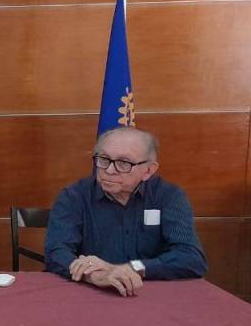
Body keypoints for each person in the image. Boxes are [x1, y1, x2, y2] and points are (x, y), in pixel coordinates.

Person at [45, 126, 207, 296]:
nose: (109, 170)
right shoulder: (74, 196)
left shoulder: (168, 196)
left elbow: (191, 258)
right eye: (104, 159)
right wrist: (94, 275)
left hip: (151, 293)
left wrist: (132, 268)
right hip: (90, 293)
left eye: (124, 163)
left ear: (148, 170)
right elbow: (56, 252)